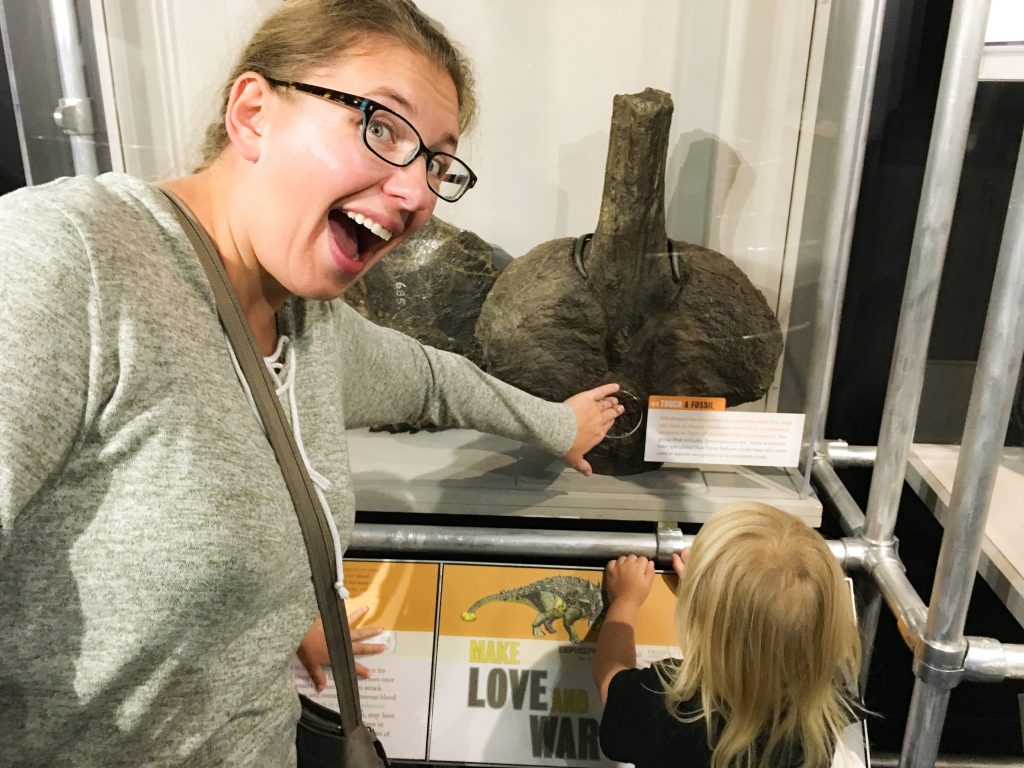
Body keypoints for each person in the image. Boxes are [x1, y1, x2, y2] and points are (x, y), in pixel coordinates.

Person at [0, 1, 625, 764]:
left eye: (435, 162)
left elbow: (435, 380)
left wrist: (561, 425)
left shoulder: (311, 329)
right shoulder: (65, 260)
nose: (417, 194)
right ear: (254, 113)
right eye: (383, 127)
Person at [594, 503, 862, 768]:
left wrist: (625, 601)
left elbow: (610, 680)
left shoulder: (671, 706)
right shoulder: (824, 713)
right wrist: (712, 597)